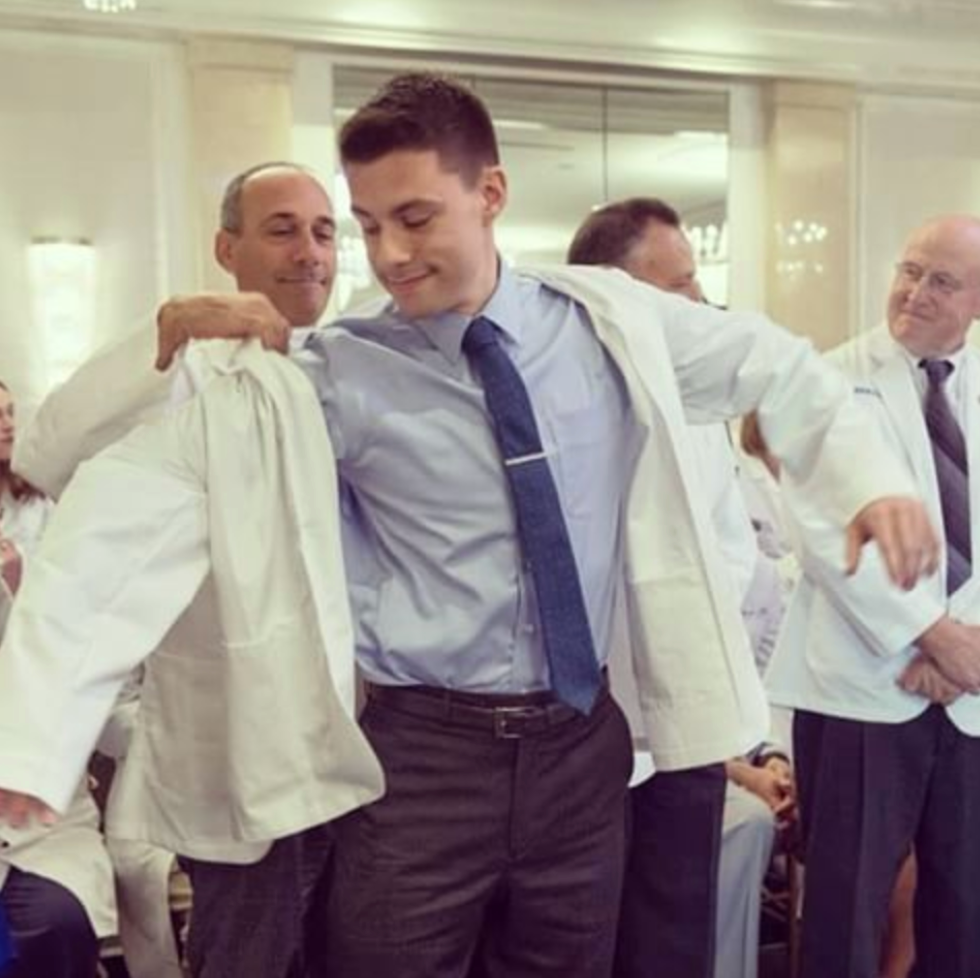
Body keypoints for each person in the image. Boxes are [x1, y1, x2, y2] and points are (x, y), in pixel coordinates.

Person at [0, 73, 937, 978]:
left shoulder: (606, 325)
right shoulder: (337, 372)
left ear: (490, 193)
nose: (389, 253)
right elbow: (108, 495)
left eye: (414, 218)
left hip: (583, 744)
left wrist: (868, 481)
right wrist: (34, 739)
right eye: (368, 227)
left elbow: (782, 367)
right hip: (419, 758)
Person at [0, 164, 385, 978]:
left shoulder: (361, 361)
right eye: (281, 228)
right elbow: (47, 453)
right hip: (249, 743)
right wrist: (166, 330)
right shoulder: (185, 373)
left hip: (380, 741)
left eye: (325, 231)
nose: (309, 251)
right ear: (226, 247)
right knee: (248, 958)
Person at [569, 197, 793, 978]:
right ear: (616, 298)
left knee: (672, 939)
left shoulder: (700, 412)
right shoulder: (563, 404)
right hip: (583, 733)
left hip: (686, 728)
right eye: (682, 290)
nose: (701, 308)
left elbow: (732, 563)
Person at [766, 214, 980, 978]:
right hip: (861, 687)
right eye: (909, 269)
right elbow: (828, 537)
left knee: (966, 910)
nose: (916, 292)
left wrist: (964, 638)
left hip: (970, 693)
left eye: (943, 281)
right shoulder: (825, 381)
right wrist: (933, 634)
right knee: (844, 909)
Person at [0, 380, 116, 978]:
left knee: (52, 923)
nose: (6, 426)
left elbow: (73, 641)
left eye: (9, 412)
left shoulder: (47, 511)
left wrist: (19, 586)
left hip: (41, 807)